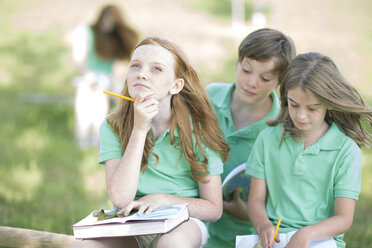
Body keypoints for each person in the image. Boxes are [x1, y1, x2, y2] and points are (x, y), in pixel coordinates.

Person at [72, 37, 230, 248]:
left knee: (171, 244)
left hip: (183, 222)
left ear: (176, 85)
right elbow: (120, 198)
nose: (142, 74)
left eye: (156, 69)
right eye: (135, 66)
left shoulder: (199, 130)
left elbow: (213, 209)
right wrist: (139, 129)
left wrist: (164, 200)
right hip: (133, 221)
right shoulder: (113, 126)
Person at [246, 52, 372, 248]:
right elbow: (255, 200)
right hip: (274, 239)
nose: (301, 116)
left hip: (322, 240)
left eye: (312, 108)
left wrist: (307, 234)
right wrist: (263, 226)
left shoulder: (346, 151)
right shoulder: (268, 139)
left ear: (329, 104)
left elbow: (344, 218)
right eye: (293, 105)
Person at [205, 28, 296, 248]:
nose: (252, 82)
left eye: (265, 78)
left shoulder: (282, 129)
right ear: (237, 63)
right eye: (246, 70)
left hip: (236, 237)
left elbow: (281, 203)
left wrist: (244, 213)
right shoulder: (208, 97)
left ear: (279, 82)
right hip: (189, 225)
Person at [71, 4, 138, 150]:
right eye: (106, 20)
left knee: (100, 109)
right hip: (87, 78)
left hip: (105, 82)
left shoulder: (114, 40)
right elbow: (79, 59)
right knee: (84, 108)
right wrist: (89, 75)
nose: (108, 24)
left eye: (112, 22)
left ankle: (96, 139)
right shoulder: (87, 32)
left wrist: (112, 81)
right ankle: (82, 141)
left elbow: (116, 67)